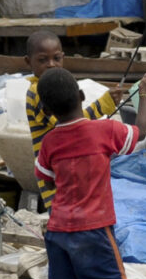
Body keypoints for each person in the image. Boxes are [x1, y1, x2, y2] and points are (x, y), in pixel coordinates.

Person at [33, 66, 146, 279]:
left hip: (58, 232)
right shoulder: (106, 130)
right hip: (95, 229)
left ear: (47, 109)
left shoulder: (49, 141)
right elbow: (142, 132)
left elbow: (45, 177)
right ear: (81, 95)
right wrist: (143, 94)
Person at [24, 30, 125, 209]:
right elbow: (71, 125)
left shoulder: (54, 87)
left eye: (56, 58)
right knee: (65, 220)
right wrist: (103, 105)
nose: (51, 65)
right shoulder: (39, 91)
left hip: (67, 173)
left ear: (63, 57)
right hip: (55, 177)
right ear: (28, 62)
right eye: (42, 60)